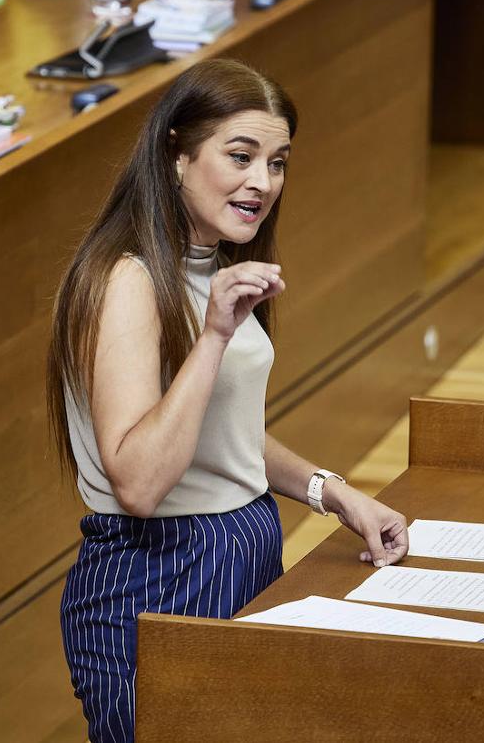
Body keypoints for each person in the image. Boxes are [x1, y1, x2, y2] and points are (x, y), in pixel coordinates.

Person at [46, 58, 410, 743]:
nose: (261, 182)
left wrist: (332, 492)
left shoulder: (211, 262)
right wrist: (213, 335)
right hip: (157, 578)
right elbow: (140, 482)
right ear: (176, 154)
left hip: (240, 554)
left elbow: (216, 430)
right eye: (239, 156)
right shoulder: (125, 279)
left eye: (277, 163)